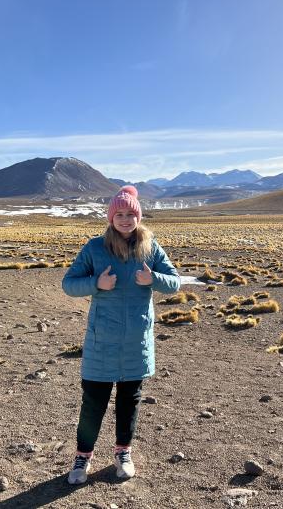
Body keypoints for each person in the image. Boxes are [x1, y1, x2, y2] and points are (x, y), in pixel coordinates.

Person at [62, 185, 180, 484]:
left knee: (130, 402)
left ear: (138, 216)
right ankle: (82, 457)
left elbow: (175, 283)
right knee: (93, 403)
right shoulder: (94, 248)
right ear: (111, 217)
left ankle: (122, 452)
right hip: (102, 340)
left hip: (136, 341)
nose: (126, 220)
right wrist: (96, 284)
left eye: (131, 214)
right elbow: (69, 284)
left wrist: (154, 279)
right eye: (120, 214)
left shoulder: (151, 248)